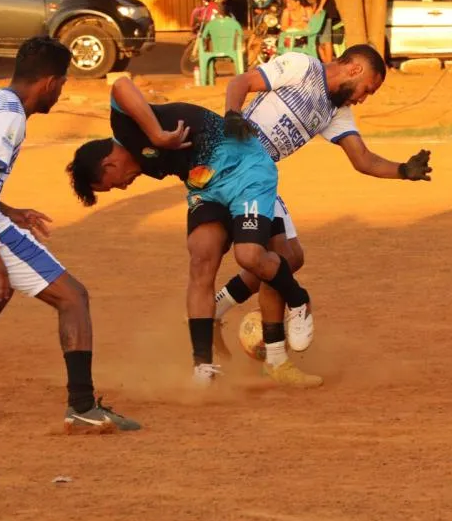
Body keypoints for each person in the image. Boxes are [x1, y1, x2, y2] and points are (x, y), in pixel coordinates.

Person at [0, 37, 140, 432]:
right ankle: (83, 408)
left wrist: (8, 210)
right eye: (64, 83)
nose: (62, 90)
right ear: (50, 82)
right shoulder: (12, 116)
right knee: (73, 297)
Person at [66, 78, 323, 388]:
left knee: (252, 256)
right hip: (206, 186)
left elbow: (120, 85)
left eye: (111, 184)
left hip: (245, 172)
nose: (121, 187)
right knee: (201, 256)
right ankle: (203, 367)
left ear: (108, 164)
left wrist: (159, 135)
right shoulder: (142, 163)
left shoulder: (126, 128)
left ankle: (298, 300)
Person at [211, 46, 432, 337]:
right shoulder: (301, 67)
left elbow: (363, 159)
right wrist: (232, 116)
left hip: (261, 178)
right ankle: (275, 350)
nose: (363, 99)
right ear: (354, 70)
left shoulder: (337, 111)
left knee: (292, 258)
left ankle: (215, 312)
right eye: (367, 90)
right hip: (236, 168)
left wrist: (403, 171)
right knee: (277, 258)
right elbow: (241, 82)